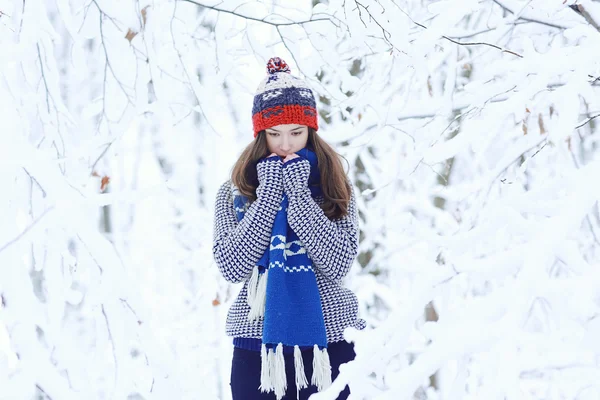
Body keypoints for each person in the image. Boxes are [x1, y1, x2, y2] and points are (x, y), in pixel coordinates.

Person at [212, 57, 365, 400]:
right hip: (257, 347)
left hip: (331, 343)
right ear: (259, 135)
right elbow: (232, 266)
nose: (285, 144)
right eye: (274, 134)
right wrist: (267, 196)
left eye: (296, 133)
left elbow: (338, 263)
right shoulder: (236, 192)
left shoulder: (336, 186)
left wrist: (298, 194)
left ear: (311, 131)